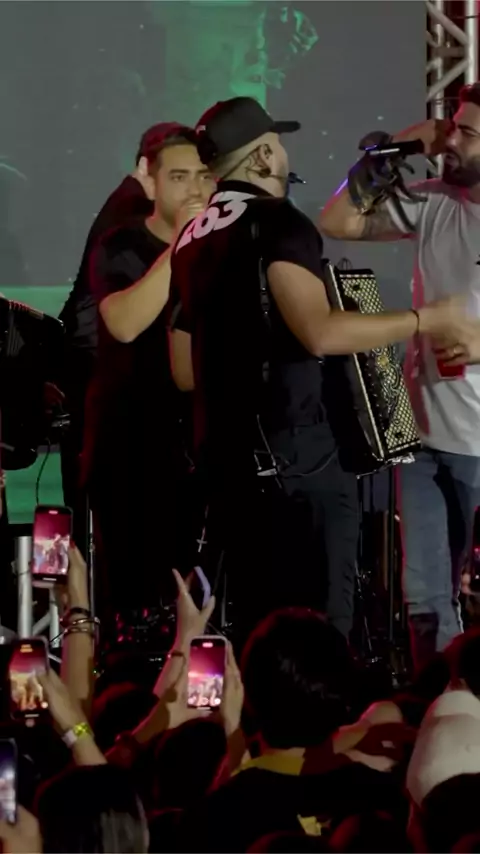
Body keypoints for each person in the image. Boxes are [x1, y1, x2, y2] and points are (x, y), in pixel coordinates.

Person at [168, 96, 469, 646]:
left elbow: (184, 370)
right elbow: (320, 333)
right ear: (262, 157)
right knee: (323, 632)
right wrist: (425, 319)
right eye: (277, 144)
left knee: (260, 632)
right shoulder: (279, 221)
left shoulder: (193, 235)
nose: (284, 154)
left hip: (227, 465)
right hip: (299, 463)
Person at [319, 83, 480, 670]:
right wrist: (396, 150)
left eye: (467, 132)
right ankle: (431, 703)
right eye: (452, 126)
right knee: (425, 600)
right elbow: (338, 220)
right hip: (423, 438)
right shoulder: (435, 200)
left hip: (478, 447)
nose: (450, 141)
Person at [84, 126, 214, 636]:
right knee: (134, 599)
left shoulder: (223, 247)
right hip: (130, 445)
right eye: (179, 177)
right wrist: (182, 243)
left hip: (198, 442)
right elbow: (124, 322)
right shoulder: (120, 244)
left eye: (203, 176)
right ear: (150, 181)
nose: (195, 189)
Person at [58, 122, 180, 556]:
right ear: (148, 169)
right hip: (108, 386)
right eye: (178, 175)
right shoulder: (133, 219)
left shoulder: (127, 206)